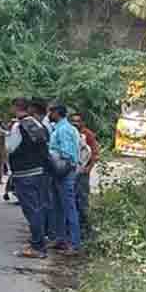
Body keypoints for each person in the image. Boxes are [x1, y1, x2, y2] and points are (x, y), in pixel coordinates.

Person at [6, 98, 49, 259]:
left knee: (31, 210)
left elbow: (9, 148)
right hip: (39, 172)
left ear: (15, 108)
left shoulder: (19, 126)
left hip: (24, 174)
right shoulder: (39, 124)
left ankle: (38, 247)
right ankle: (38, 242)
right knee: (38, 208)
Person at [48, 104, 81, 255]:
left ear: (56, 113)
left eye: (51, 112)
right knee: (58, 207)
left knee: (69, 207)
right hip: (59, 172)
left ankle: (74, 244)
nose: (49, 114)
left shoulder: (64, 130)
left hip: (64, 172)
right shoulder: (61, 128)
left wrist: (55, 159)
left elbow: (67, 154)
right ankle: (60, 239)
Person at [70, 112, 99, 240]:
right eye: (73, 121)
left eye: (78, 121)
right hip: (70, 172)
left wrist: (88, 168)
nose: (75, 123)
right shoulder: (69, 133)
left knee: (82, 200)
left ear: (82, 123)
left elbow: (95, 153)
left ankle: (85, 229)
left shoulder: (88, 135)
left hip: (82, 173)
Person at [29, 99, 55, 242]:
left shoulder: (42, 126)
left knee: (44, 201)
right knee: (45, 201)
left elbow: (45, 149)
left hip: (44, 168)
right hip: (44, 168)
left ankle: (45, 233)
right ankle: (46, 232)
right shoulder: (45, 125)